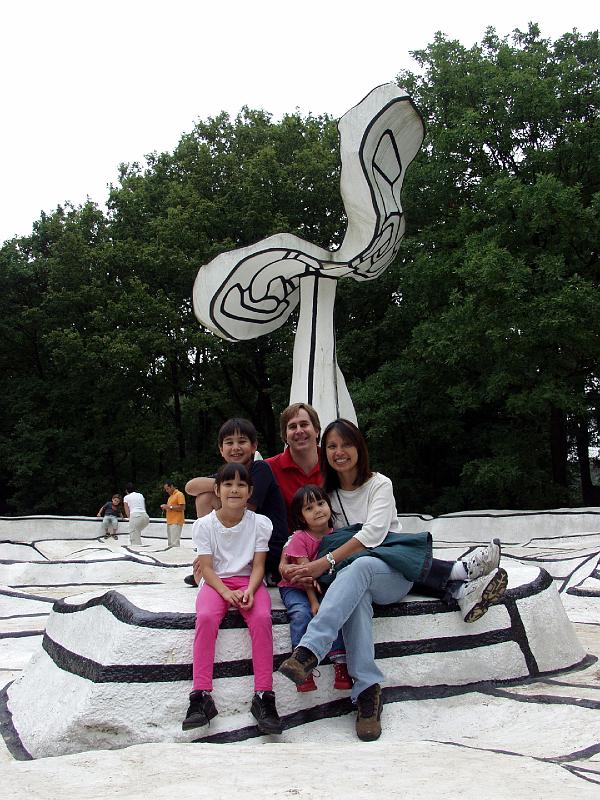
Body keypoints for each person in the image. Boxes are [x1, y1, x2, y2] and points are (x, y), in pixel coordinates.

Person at [278, 418, 507, 742]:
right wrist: (289, 562)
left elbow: (373, 535)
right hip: (351, 581)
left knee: (361, 566)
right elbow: (307, 535)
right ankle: (367, 693)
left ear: (359, 447)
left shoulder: (379, 485)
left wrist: (324, 563)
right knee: (355, 592)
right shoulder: (326, 495)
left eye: (346, 444)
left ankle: (308, 651)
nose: (339, 451)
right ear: (324, 451)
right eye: (332, 446)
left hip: (391, 574)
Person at [182, 463, 282, 735]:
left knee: (262, 618)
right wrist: (226, 593)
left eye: (241, 485)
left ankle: (264, 695)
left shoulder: (259, 523)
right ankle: (200, 695)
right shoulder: (205, 525)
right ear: (217, 490)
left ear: (250, 491)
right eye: (227, 484)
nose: (234, 490)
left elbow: (259, 565)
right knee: (205, 617)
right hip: (216, 583)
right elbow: (207, 568)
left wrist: (250, 589)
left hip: (249, 581)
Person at [184, 418, 288, 586]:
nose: (235, 447)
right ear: (221, 449)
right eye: (229, 442)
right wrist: (229, 484)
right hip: (240, 548)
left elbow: (245, 510)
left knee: (231, 503)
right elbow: (190, 487)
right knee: (205, 497)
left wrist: (228, 486)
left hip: (267, 548)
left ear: (254, 446)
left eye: (242, 441)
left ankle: (257, 572)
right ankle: (209, 559)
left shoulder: (260, 469)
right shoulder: (227, 474)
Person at [278, 484, 352, 693]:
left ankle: (341, 663)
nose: (317, 510)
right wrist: (313, 603)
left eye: (320, 503)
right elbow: (304, 574)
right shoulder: (300, 538)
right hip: (296, 587)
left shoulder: (338, 536)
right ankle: (301, 666)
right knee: (301, 613)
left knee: (333, 610)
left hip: (323, 586)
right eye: (309, 508)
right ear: (301, 517)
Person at [265, 403, 322, 525]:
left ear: (316, 430)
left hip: (335, 535)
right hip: (287, 536)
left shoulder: (332, 462)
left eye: (304, 424)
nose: (299, 431)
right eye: (292, 427)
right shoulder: (268, 468)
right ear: (285, 436)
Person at [161, 481, 185, 547]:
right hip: (170, 521)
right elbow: (171, 507)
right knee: (170, 543)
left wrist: (169, 507)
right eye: (166, 489)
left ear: (172, 486)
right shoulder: (171, 497)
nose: (166, 491)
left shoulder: (179, 494)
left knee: (174, 543)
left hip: (176, 521)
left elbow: (182, 507)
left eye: (167, 489)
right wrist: (166, 507)